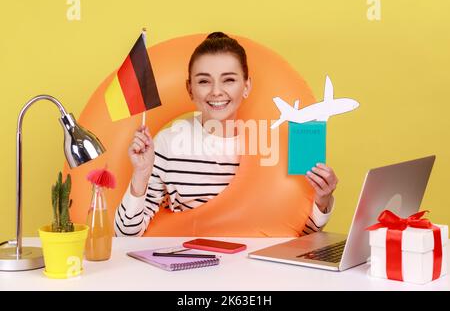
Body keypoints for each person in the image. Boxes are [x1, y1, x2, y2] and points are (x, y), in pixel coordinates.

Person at [114, 32, 338, 237]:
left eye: (229, 80)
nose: (216, 91)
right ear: (190, 88)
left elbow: (295, 230)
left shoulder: (269, 142)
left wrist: (323, 199)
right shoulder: (168, 143)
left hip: (255, 271)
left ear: (247, 86)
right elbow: (126, 236)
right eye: (204, 81)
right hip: (190, 268)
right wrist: (141, 175)